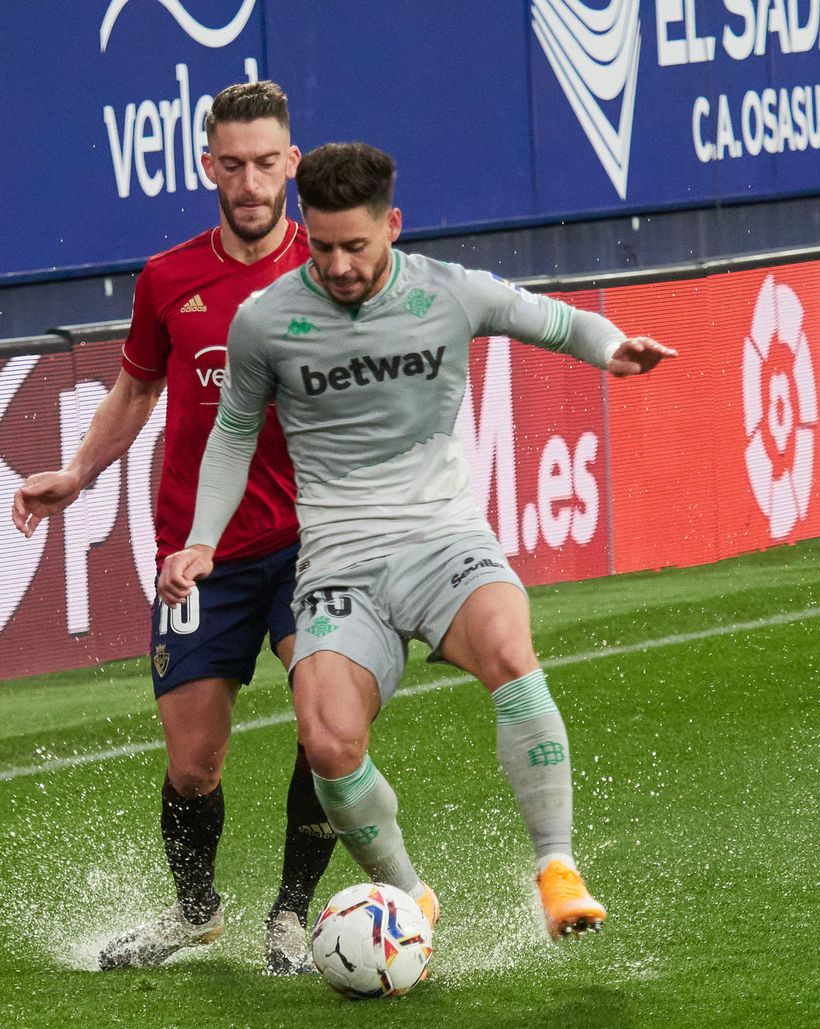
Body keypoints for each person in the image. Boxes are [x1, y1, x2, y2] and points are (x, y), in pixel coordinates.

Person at [158, 142, 675, 940]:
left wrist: (613, 350)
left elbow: (559, 320)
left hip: (443, 542)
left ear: (391, 226)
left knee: (508, 645)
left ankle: (557, 866)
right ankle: (409, 897)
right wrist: (201, 540)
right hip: (337, 563)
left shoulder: (448, 292)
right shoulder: (265, 320)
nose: (337, 265)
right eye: (322, 245)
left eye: (355, 246)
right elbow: (231, 433)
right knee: (327, 739)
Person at [11, 81, 335, 974]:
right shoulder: (169, 278)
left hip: (316, 542)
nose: (250, 180)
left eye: (267, 162)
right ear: (207, 167)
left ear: (292, 165)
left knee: (326, 724)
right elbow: (135, 390)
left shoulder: (333, 265)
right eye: (231, 163)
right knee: (193, 763)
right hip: (201, 553)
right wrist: (77, 473)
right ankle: (196, 912)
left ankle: (293, 916)